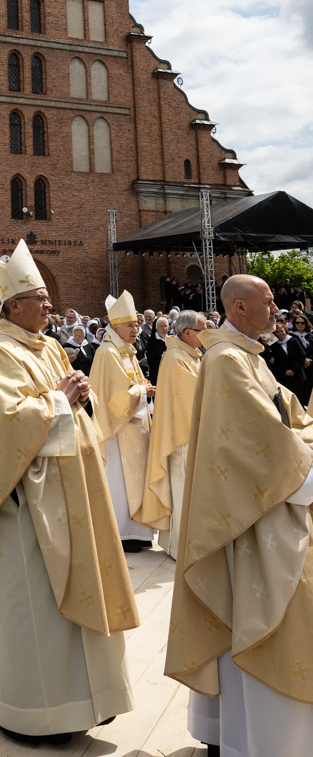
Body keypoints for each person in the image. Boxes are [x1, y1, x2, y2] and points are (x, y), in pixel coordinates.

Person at [0, 240, 137, 744]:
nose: (50, 304)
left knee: (78, 598)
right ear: (13, 305)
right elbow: (6, 428)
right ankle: (37, 711)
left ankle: (89, 699)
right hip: (27, 507)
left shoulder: (50, 345)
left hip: (73, 493)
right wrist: (60, 398)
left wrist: (80, 395)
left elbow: (78, 408)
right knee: (36, 606)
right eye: (40, 297)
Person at [166, 275, 313, 757]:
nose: (279, 307)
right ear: (241, 307)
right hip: (253, 516)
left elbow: (291, 418)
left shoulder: (248, 355)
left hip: (260, 508)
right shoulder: (228, 360)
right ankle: (259, 744)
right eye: (269, 301)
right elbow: (263, 444)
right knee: (262, 616)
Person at [88, 290, 155, 552]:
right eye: (130, 325)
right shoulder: (108, 353)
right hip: (116, 431)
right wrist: (142, 391)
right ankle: (122, 534)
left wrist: (142, 388)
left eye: (137, 324)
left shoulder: (126, 351)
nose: (136, 329)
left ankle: (138, 533)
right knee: (119, 481)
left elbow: (131, 385)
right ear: (115, 326)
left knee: (134, 482)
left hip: (133, 427)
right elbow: (114, 398)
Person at [141, 310, 205, 560]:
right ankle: (181, 547)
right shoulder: (176, 358)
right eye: (203, 331)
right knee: (182, 488)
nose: (206, 335)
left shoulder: (190, 354)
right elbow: (192, 397)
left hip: (190, 434)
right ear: (188, 333)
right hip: (182, 437)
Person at [146, 315, 170, 383]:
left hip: (170, 373)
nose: (164, 328)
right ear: (156, 328)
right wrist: (164, 361)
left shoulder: (171, 339)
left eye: (165, 326)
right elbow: (150, 361)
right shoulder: (152, 341)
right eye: (161, 326)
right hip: (157, 374)